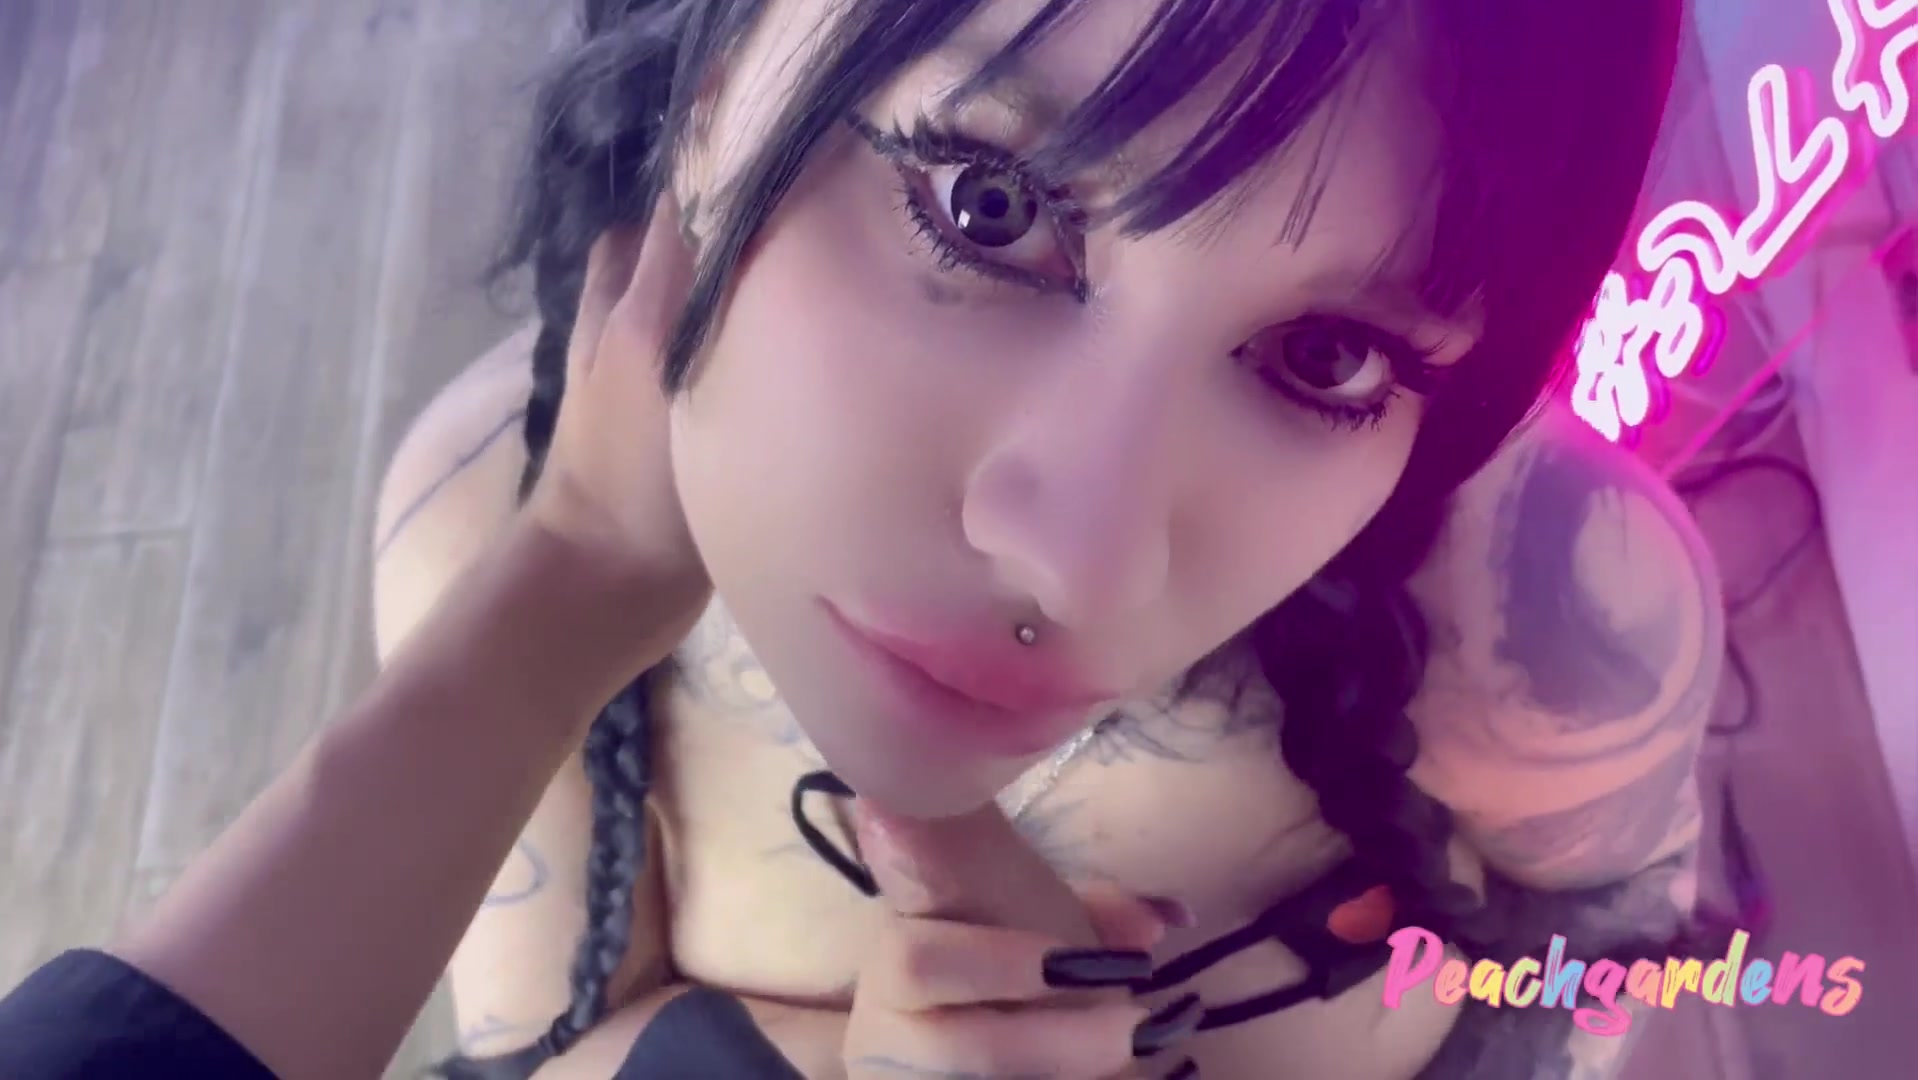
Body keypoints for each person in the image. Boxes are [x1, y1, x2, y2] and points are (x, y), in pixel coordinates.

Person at [0, 0, 1717, 1078]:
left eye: (1328, 357)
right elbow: (524, 1050)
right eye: (986, 203)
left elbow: (1607, 978)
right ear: (705, 77)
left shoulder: (1562, 617)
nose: (1080, 564)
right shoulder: (480, 526)